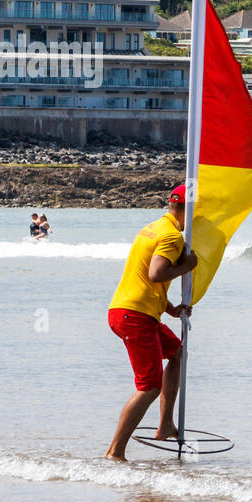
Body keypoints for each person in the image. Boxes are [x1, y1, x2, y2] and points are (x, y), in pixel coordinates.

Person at [105, 184, 199, 461]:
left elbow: (145, 280)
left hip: (134, 309)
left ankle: (165, 425)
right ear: (187, 211)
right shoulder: (171, 236)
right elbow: (157, 273)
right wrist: (188, 266)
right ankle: (115, 452)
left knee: (177, 352)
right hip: (134, 316)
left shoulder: (154, 227)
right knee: (149, 386)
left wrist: (169, 309)